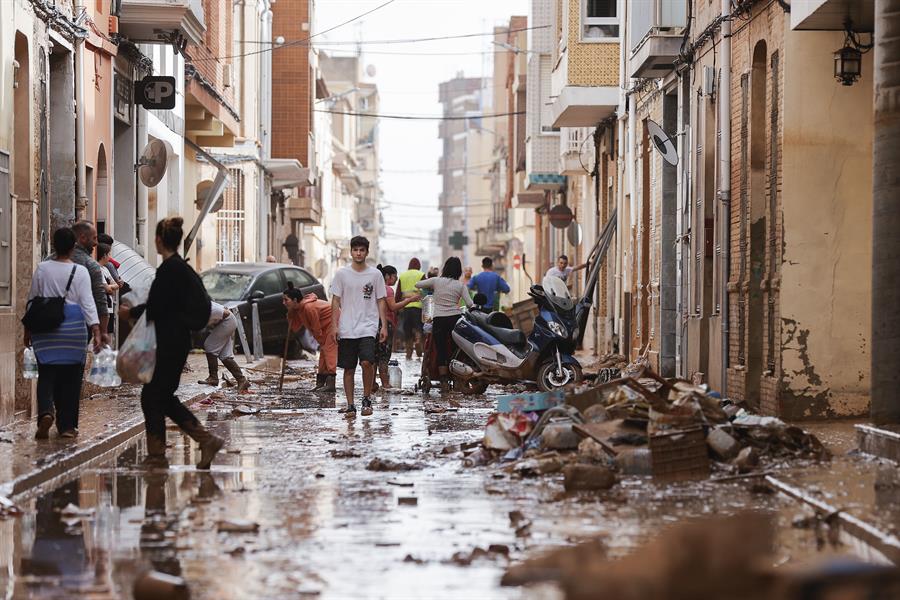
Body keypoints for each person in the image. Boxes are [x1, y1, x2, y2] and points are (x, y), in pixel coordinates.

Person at [119, 217, 223, 470]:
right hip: (174, 342)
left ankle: (174, 450)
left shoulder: (170, 270)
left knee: (155, 395)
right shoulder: (178, 268)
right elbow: (166, 305)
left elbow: (157, 307)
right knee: (158, 396)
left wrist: (130, 314)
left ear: (157, 240)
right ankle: (168, 451)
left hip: (169, 343)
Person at [26, 227, 102, 440]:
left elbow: (32, 301)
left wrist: (27, 330)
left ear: (54, 244)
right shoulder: (81, 271)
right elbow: (88, 303)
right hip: (73, 330)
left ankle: (46, 412)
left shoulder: (42, 269)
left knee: (47, 374)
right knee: (71, 379)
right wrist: (96, 330)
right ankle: (67, 426)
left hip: (45, 329)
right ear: (73, 247)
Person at [329, 236, 387, 417]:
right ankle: (351, 405)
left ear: (367, 252)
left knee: (367, 362)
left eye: (362, 250)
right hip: (347, 328)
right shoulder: (341, 274)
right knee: (349, 368)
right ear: (351, 252)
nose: (359, 253)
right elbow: (335, 301)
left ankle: (367, 398)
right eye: (355, 250)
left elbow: (381, 300)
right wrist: (334, 326)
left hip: (368, 326)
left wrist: (383, 325)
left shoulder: (375, 275)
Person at [415, 257, 473, 393]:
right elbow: (470, 304)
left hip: (439, 319)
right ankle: (457, 377)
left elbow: (418, 284)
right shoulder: (460, 285)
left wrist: (430, 289)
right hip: (455, 319)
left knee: (440, 349)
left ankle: (443, 380)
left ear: (445, 268)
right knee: (455, 349)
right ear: (459, 271)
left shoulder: (436, 281)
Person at [284, 286, 338, 393]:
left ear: (295, 300)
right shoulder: (299, 309)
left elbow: (316, 327)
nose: (284, 302)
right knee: (323, 354)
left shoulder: (308, 308)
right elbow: (295, 327)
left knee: (329, 352)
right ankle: (321, 383)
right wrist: (290, 314)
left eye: (286, 300)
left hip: (333, 323)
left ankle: (331, 384)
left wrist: (320, 340)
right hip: (325, 327)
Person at [375, 265, 420, 389]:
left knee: (374, 355)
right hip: (385, 324)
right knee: (384, 355)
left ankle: (372, 383)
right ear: (388, 276)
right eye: (394, 276)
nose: (396, 279)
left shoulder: (374, 288)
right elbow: (393, 307)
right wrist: (410, 300)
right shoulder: (388, 289)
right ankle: (385, 383)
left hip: (373, 323)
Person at [71, 221, 110, 343]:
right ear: (82, 238)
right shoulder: (91, 265)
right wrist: (102, 331)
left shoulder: (47, 262)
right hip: (79, 326)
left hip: (49, 324)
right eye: (94, 238)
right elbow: (100, 299)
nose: (96, 243)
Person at [198, 302, 250, 392]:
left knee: (209, 345)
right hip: (226, 322)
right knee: (225, 356)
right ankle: (242, 380)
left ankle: (213, 377)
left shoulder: (206, 308)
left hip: (227, 321)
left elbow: (225, 312)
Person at [397, 258, 425, 359]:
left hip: (406, 307)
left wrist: (396, 306)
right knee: (418, 328)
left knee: (407, 330)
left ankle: (408, 352)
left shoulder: (403, 275)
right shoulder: (421, 274)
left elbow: (398, 293)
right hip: (418, 307)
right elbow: (425, 290)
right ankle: (418, 341)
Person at [96, 243, 119, 335]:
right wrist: (110, 287)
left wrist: (109, 287)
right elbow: (107, 289)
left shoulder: (105, 269)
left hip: (109, 305)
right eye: (109, 254)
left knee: (108, 332)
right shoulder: (98, 269)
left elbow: (115, 285)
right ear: (104, 255)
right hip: (103, 305)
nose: (110, 257)